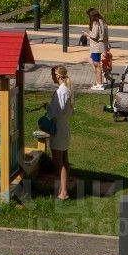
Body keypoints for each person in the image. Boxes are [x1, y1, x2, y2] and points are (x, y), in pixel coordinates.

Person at [49, 65, 75, 200]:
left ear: (58, 76)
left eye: (53, 75)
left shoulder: (61, 91)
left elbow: (56, 112)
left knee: (58, 161)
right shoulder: (68, 90)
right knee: (64, 159)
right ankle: (63, 187)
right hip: (64, 128)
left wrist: (48, 108)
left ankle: (64, 192)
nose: (52, 77)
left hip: (58, 129)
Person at [82, 8, 110, 89]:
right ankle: (100, 80)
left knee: (96, 64)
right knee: (92, 61)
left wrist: (87, 35)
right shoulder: (103, 22)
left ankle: (99, 83)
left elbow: (94, 36)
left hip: (96, 47)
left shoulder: (95, 23)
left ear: (92, 16)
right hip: (102, 45)